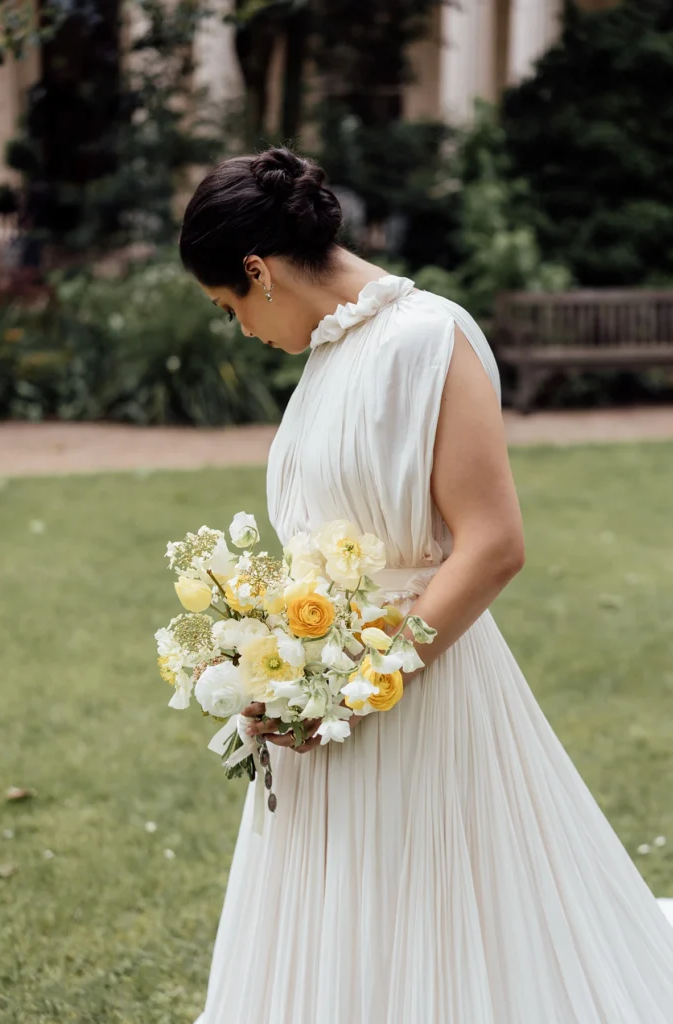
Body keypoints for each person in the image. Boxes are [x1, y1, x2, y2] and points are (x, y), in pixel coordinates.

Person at [179, 147, 673, 1023]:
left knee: (442, 915)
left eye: (227, 309)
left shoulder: (426, 339)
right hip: (326, 706)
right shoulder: (332, 355)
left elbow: (492, 545)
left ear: (256, 272)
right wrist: (272, 662)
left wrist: (365, 679)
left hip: (418, 684)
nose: (241, 329)